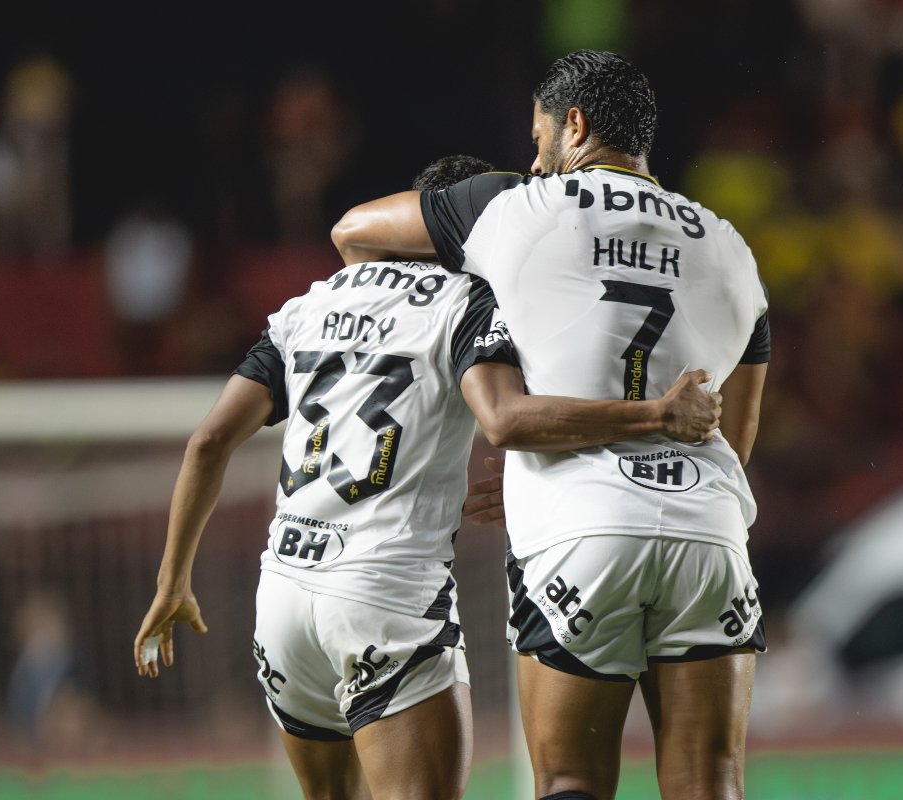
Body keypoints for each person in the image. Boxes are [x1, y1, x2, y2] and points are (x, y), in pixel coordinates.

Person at [134, 154, 724, 800]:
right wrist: (655, 416)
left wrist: (173, 582)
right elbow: (503, 417)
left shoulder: (310, 303)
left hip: (283, 599)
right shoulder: (466, 301)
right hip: (384, 596)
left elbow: (209, 440)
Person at [331, 51, 770, 800]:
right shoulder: (732, 249)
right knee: (709, 779)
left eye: (538, 139)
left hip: (578, 530)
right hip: (709, 529)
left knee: (569, 778)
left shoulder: (515, 207)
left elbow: (355, 234)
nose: (535, 161)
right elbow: (743, 430)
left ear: (575, 125)